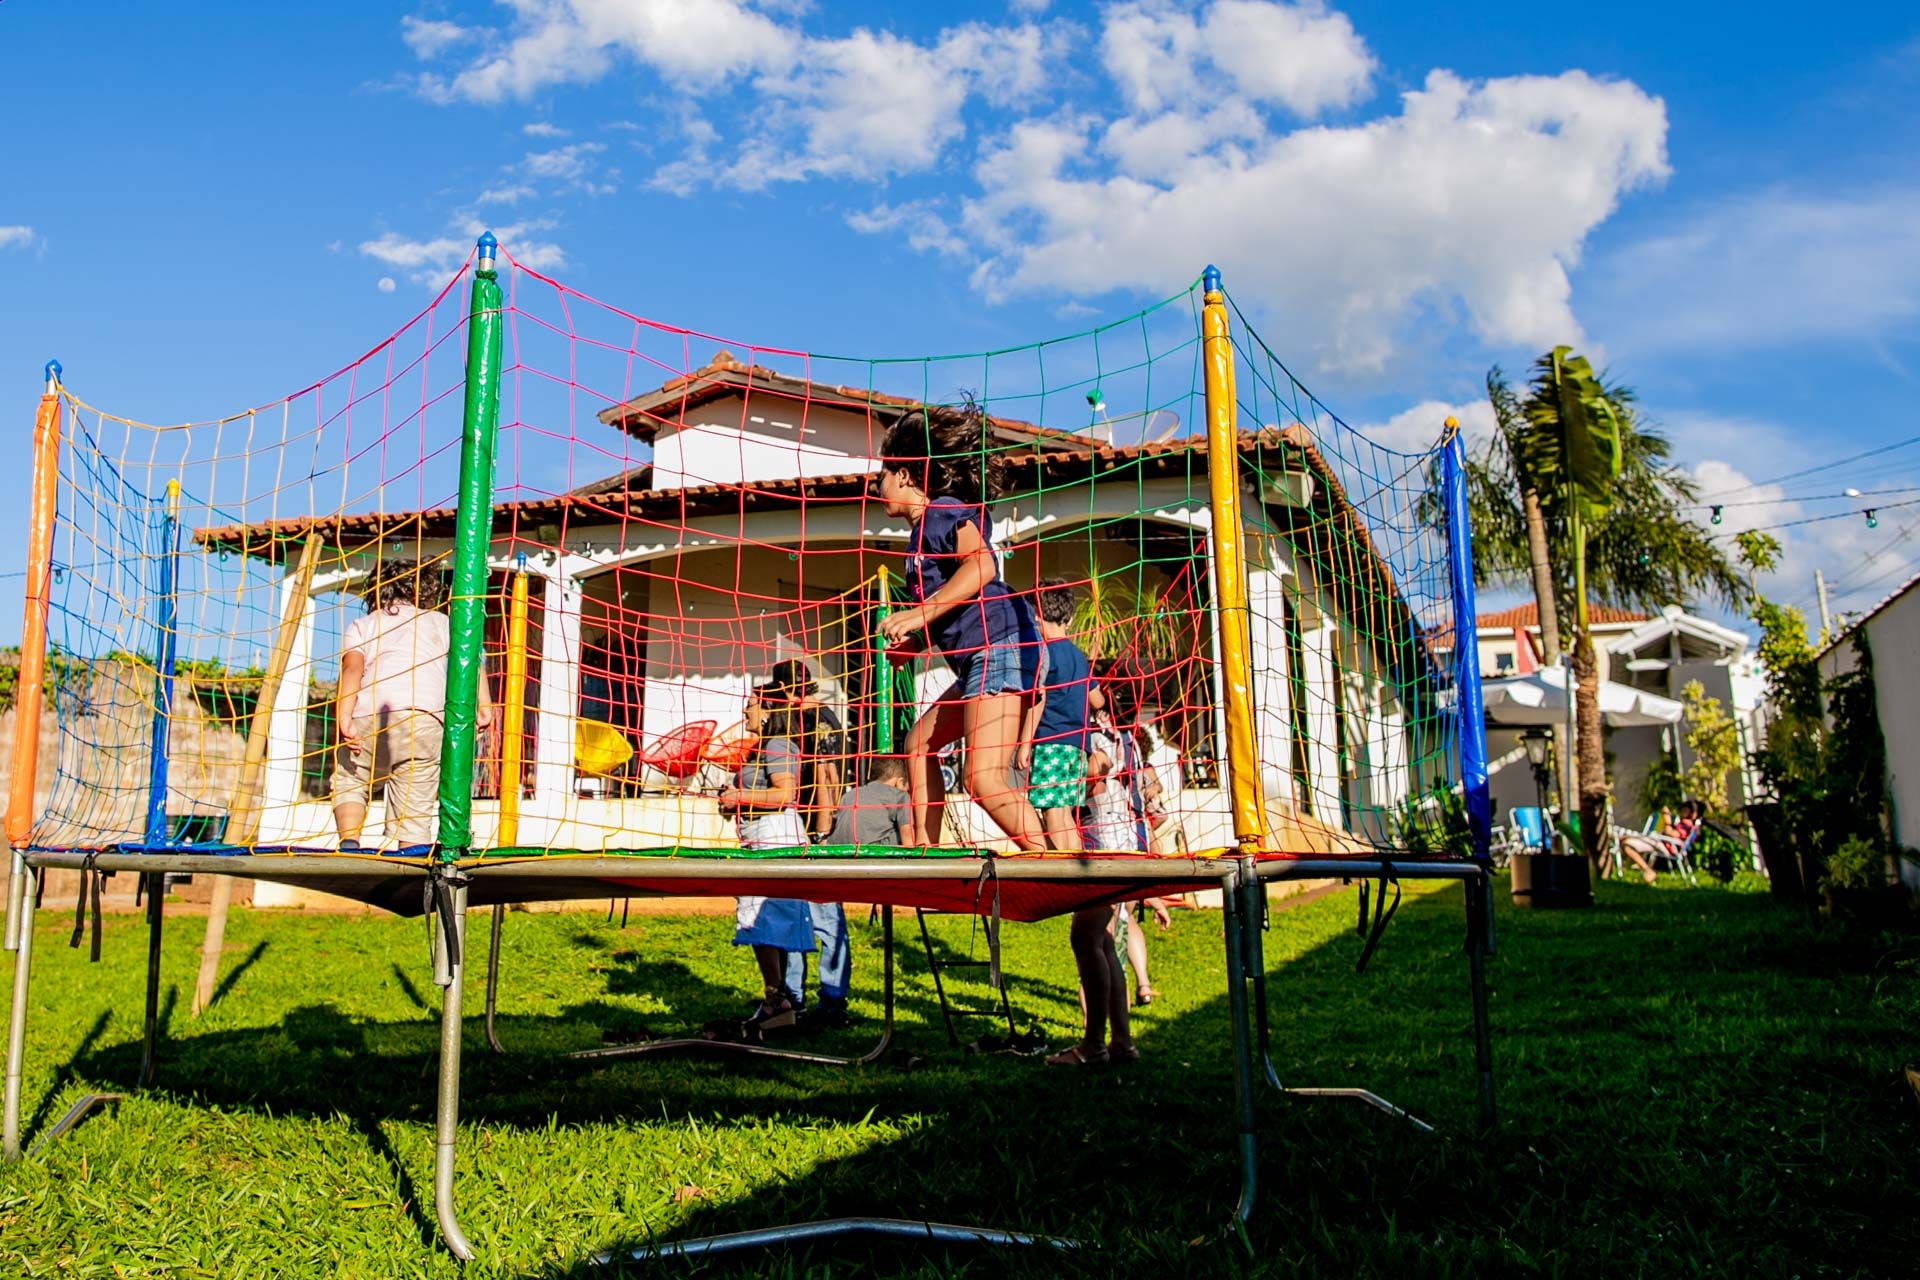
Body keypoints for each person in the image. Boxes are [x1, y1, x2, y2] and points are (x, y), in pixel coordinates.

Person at [874, 404, 1050, 851]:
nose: (877, 485)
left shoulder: (943, 511)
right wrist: (915, 642)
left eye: (883, 474)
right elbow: (955, 606)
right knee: (918, 744)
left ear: (906, 476)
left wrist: (917, 613)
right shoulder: (917, 542)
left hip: (1002, 645)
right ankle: (926, 852)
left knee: (982, 777)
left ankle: (1049, 858)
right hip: (982, 653)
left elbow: (983, 566)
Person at [332, 563, 491, 852]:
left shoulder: (365, 624)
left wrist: (344, 716)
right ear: (427, 591)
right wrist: (484, 705)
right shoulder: (443, 623)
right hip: (427, 717)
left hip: (372, 714)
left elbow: (352, 668)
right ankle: (412, 853)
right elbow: (470, 661)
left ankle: (350, 840)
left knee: (351, 776)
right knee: (416, 793)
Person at [1049, 675, 1159, 1067]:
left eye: (1095, 686)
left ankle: (1094, 1046)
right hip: (1125, 842)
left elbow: (1096, 781)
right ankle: (1121, 1042)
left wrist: (1066, 781)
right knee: (1103, 940)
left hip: (1105, 845)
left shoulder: (1101, 737)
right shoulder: (1129, 738)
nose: (1087, 689)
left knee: (1086, 939)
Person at [788, 756, 916, 1029]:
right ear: (900, 781)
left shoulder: (850, 795)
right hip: (873, 870)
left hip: (833, 867)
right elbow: (909, 844)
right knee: (834, 937)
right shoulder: (899, 798)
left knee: (806, 932)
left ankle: (793, 999)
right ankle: (832, 1004)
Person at [762, 661, 855, 1027]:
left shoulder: (818, 721)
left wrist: (822, 833)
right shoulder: (810, 718)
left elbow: (828, 776)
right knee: (797, 919)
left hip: (816, 835)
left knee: (826, 921)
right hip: (801, 830)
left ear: (787, 690)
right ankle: (795, 999)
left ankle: (831, 1004)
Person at [717, 685, 814, 1034]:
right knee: (763, 921)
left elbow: (785, 794)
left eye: (751, 706)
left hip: (774, 836)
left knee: (760, 918)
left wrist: (738, 795)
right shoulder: (760, 749)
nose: (746, 713)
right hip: (759, 833)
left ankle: (778, 999)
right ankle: (778, 999)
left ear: (769, 711)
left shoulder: (777, 745)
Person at [1020, 577, 1097, 854]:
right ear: (1070, 617)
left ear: (1036, 616)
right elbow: (1097, 699)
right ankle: (1079, 870)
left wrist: (1024, 742)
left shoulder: (1042, 654)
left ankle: (1063, 870)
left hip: (1050, 741)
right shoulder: (1079, 656)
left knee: (1053, 813)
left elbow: (1037, 698)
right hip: (1077, 748)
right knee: (1065, 816)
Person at [1620, 798, 1701, 884]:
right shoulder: (1683, 823)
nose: (1681, 812)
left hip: (1666, 845)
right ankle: (1642, 868)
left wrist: (1667, 819)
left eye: (1684, 810)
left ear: (1691, 813)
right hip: (1661, 843)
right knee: (1630, 841)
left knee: (1627, 844)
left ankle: (1647, 870)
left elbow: (1671, 833)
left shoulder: (1686, 824)